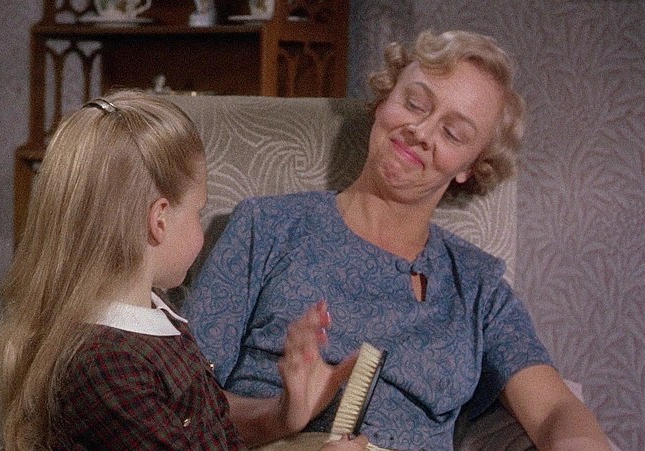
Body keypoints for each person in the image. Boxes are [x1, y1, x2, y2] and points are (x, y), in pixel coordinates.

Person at [181, 30, 612, 450]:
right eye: (415, 104)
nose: (421, 132)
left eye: (453, 133)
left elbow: (555, 409)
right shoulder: (268, 227)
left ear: (470, 165)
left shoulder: (476, 286)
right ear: (385, 99)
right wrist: (280, 416)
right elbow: (182, 400)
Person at [0, 90, 369, 450]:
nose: (201, 226)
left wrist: (284, 415)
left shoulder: (152, 319)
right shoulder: (107, 367)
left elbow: (203, 433)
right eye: (198, 211)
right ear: (160, 220)